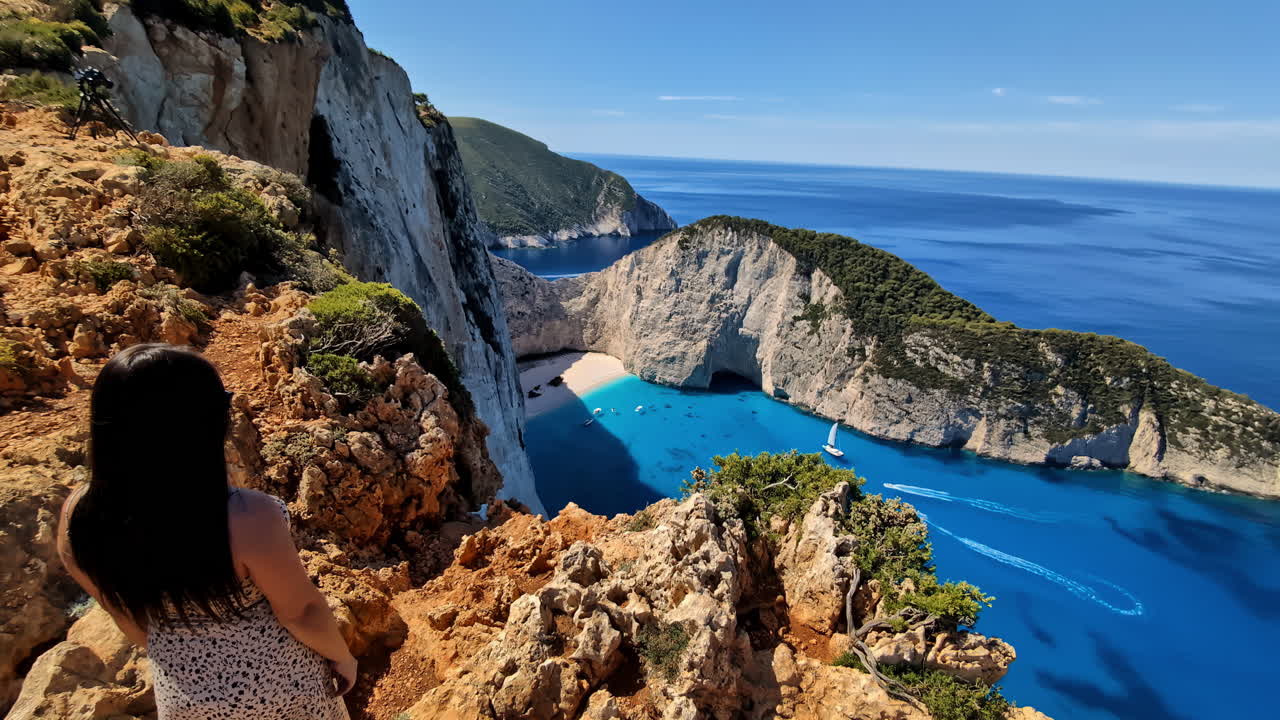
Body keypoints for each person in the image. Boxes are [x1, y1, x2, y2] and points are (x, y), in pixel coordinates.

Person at [57, 344, 356, 719]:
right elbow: (302, 612)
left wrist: (188, 657)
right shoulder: (246, 516)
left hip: (182, 697)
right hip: (279, 688)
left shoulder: (77, 516)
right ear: (198, 424)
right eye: (223, 400)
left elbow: (122, 611)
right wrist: (343, 657)